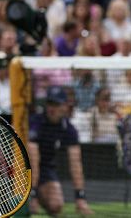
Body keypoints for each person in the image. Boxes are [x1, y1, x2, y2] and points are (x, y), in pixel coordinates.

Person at [29, 86, 93, 216]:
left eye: (56, 104)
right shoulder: (35, 122)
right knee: (28, 209)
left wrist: (80, 196)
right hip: (23, 167)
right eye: (50, 103)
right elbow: (33, 159)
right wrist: (32, 194)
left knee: (56, 205)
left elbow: (76, 163)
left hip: (46, 169)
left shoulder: (69, 129)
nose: (52, 108)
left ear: (64, 106)